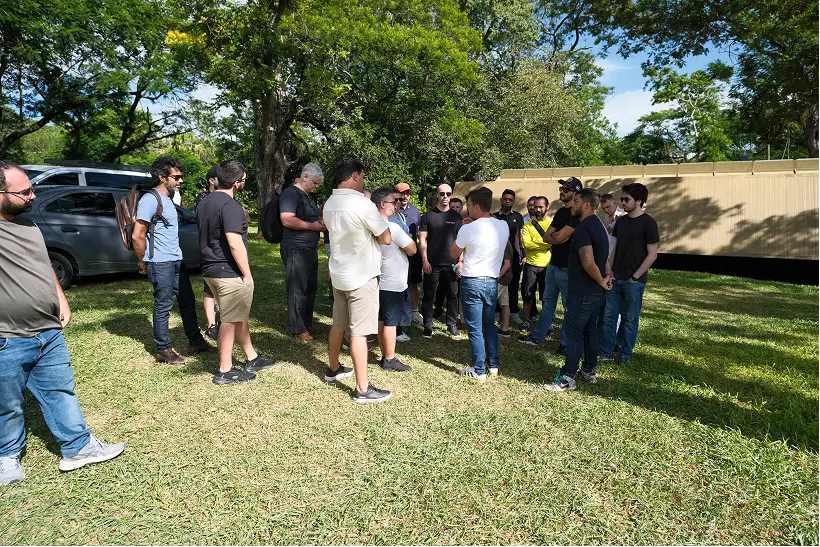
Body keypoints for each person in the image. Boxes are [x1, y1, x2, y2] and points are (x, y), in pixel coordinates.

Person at [0, 161, 124, 485]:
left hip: (49, 331)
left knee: (60, 390)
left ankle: (78, 447)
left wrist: (61, 297)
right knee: (8, 405)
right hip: (8, 337)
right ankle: (7, 457)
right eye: (24, 191)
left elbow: (44, 266)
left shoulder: (29, 226)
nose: (32, 195)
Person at [197, 160, 275, 385]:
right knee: (229, 321)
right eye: (244, 180)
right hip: (228, 271)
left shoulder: (204, 201)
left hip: (210, 269)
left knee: (236, 315)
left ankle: (252, 357)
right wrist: (247, 274)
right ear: (237, 182)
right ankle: (225, 370)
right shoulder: (230, 205)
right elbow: (234, 243)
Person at [323, 158, 393, 403]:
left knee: (338, 324)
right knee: (359, 333)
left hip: (339, 274)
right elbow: (386, 238)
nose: (363, 180)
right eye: (362, 176)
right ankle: (363, 389)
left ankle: (333, 368)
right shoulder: (363, 204)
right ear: (354, 175)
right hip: (362, 276)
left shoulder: (329, 203)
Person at [133, 156, 212, 364]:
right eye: (176, 177)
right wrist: (142, 261)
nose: (180, 180)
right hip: (160, 263)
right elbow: (137, 235)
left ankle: (196, 342)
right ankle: (163, 350)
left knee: (187, 301)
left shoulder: (168, 198)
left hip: (176, 259)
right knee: (164, 305)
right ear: (162, 177)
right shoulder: (150, 199)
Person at [546, 188, 612, 392]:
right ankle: (588, 370)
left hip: (583, 291)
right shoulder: (599, 225)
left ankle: (568, 377)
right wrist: (605, 278)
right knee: (590, 329)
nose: (572, 205)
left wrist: (601, 280)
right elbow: (604, 258)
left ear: (586, 204)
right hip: (595, 293)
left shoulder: (583, 229)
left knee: (574, 333)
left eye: (575, 201)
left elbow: (588, 262)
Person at [598, 183, 660, 367]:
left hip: (634, 282)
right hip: (615, 278)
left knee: (630, 319)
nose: (623, 202)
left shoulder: (649, 223)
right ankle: (606, 351)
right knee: (609, 317)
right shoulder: (621, 222)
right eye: (622, 199)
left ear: (639, 201)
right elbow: (616, 248)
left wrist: (635, 277)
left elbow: (652, 255)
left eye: (626, 199)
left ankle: (625, 353)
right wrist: (610, 271)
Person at [518, 177, 582, 352]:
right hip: (553, 265)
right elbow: (549, 238)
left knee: (569, 308)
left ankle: (565, 343)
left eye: (566, 189)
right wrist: (556, 238)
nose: (561, 192)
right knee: (547, 304)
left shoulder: (577, 214)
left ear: (576, 193)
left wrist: (556, 238)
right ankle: (537, 336)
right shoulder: (560, 212)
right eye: (561, 189)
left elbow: (558, 237)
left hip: (569, 268)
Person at [451, 187, 509, 381]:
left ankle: (479, 369)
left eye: (468, 206)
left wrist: (464, 230)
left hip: (472, 280)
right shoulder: (503, 225)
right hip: (491, 281)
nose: (467, 210)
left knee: (474, 327)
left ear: (476, 206)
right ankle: (493, 365)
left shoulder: (468, 228)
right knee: (489, 324)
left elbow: (453, 253)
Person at [372, 187, 416, 372]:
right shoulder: (392, 228)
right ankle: (389, 359)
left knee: (382, 319)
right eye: (393, 201)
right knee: (391, 322)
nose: (396, 205)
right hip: (393, 282)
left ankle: (384, 355)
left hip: (377, 280)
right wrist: (403, 246)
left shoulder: (370, 226)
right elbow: (413, 249)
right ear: (383, 204)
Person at [279, 163, 324, 341]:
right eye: (314, 182)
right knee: (297, 289)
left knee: (310, 288)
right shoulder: (291, 194)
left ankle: (306, 323)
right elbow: (287, 219)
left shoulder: (308, 196)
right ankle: (298, 328)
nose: (316, 186)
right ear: (305, 176)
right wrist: (312, 227)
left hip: (309, 249)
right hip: (296, 248)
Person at [419, 183, 462, 339]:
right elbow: (422, 240)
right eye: (442, 194)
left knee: (452, 295)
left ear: (451, 196)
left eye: (448, 194)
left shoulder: (456, 217)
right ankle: (427, 326)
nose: (445, 197)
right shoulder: (427, 216)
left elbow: (461, 241)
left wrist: (461, 261)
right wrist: (424, 260)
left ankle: (451, 325)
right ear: (437, 195)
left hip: (451, 264)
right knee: (429, 295)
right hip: (432, 263)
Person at [194, 166, 220, 340]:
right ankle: (211, 325)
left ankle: (223, 321)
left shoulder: (229, 197)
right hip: (209, 248)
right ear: (211, 180)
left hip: (224, 250)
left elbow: (245, 217)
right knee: (209, 287)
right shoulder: (202, 198)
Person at [520, 196, 552, 329]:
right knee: (528, 294)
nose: (537, 209)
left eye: (540, 207)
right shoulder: (527, 225)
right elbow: (527, 244)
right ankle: (526, 320)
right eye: (535, 207)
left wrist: (536, 242)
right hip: (531, 265)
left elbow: (554, 242)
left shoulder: (552, 224)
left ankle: (547, 323)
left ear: (547, 207)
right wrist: (546, 243)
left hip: (547, 265)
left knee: (546, 296)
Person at [494, 189, 524, 324]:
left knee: (513, 284)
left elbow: (521, 237)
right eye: (505, 199)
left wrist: (523, 254)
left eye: (510, 199)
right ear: (501, 200)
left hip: (515, 256)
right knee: (497, 283)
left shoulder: (518, 217)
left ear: (513, 201)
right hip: (497, 256)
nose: (507, 201)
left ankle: (513, 312)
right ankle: (495, 311)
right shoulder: (494, 217)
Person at [395, 183, 423, 324]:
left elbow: (419, 231)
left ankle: (414, 311)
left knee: (413, 282)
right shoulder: (393, 210)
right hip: (397, 253)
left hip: (413, 252)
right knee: (398, 283)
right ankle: (398, 312)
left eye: (407, 193)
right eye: (402, 193)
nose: (405, 196)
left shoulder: (415, 210)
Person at [497, 241, 513, 337]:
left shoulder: (504, 243)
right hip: (505, 278)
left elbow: (507, 264)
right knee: (504, 303)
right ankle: (505, 329)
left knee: (487, 303)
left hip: (501, 279)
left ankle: (484, 328)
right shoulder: (505, 241)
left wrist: (497, 277)